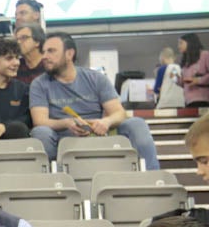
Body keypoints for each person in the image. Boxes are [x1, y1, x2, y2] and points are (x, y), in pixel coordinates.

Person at [29, 33, 160, 169]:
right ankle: (48, 181)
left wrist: (106, 122)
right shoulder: (39, 84)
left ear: (69, 54)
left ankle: (152, 178)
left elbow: (119, 113)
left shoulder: (96, 78)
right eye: (43, 52)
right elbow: (40, 121)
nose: (44, 56)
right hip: (62, 136)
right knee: (41, 132)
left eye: (51, 51)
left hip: (97, 133)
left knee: (136, 124)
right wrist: (67, 123)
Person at [176, 33, 209, 108]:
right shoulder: (185, 61)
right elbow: (183, 83)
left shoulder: (205, 55)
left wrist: (198, 80)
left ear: (190, 42)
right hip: (189, 101)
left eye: (181, 43)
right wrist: (178, 79)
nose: (178, 46)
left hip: (204, 99)